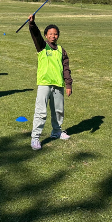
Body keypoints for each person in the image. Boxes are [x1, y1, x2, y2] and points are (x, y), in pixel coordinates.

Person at [27, 14, 72, 151]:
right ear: (46, 35)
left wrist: (68, 84)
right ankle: (35, 137)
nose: (53, 36)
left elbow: (66, 68)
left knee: (58, 111)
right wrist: (32, 24)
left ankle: (57, 131)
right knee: (41, 112)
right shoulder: (42, 46)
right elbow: (36, 35)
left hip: (58, 84)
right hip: (44, 83)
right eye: (50, 34)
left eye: (56, 34)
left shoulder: (61, 50)